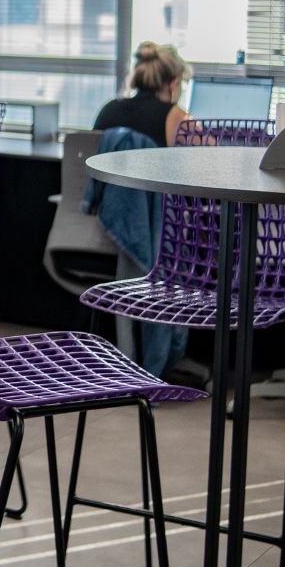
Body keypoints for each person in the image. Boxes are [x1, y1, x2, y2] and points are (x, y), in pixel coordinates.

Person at [91, 42, 193, 378]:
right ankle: (167, 355)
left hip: (103, 230)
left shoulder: (108, 111)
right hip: (151, 239)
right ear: (173, 83)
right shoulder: (176, 118)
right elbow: (210, 163)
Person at [92, 42, 192, 147]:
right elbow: (202, 152)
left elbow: (89, 151)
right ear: (174, 83)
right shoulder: (176, 116)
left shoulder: (109, 109)